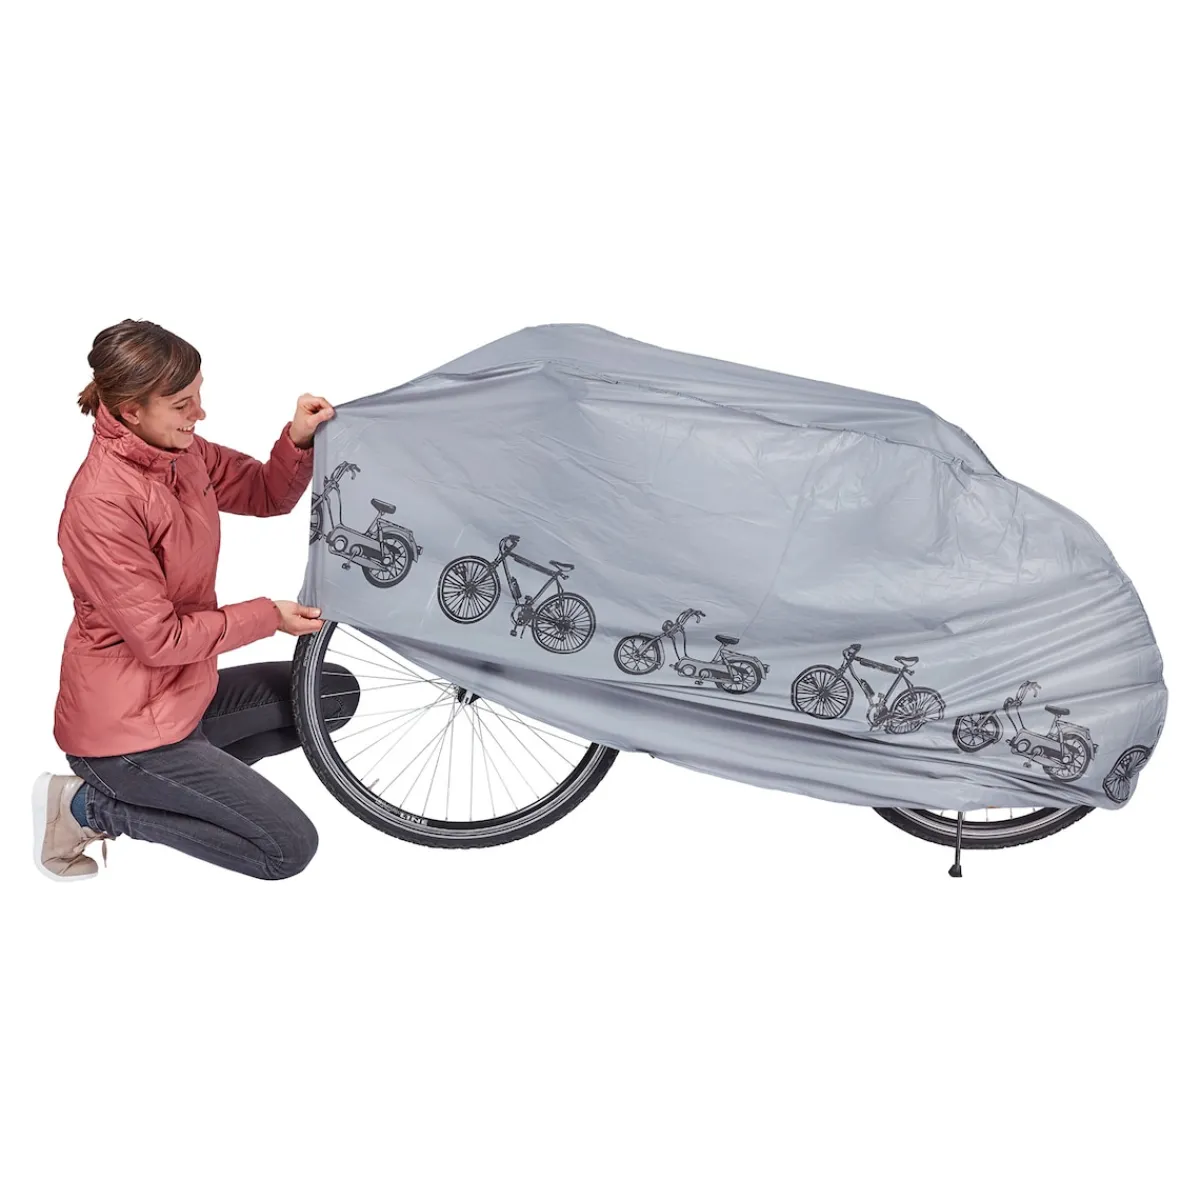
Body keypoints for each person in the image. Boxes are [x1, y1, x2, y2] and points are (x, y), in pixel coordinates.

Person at [33, 318, 360, 882]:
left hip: (183, 696)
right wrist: (268, 616)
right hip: (123, 736)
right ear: (132, 411)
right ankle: (88, 807)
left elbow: (265, 493)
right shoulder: (102, 505)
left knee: (330, 694)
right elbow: (161, 641)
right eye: (183, 404)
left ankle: (185, 783)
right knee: (287, 849)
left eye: (198, 395)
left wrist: (299, 439)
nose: (199, 414)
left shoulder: (182, 452)